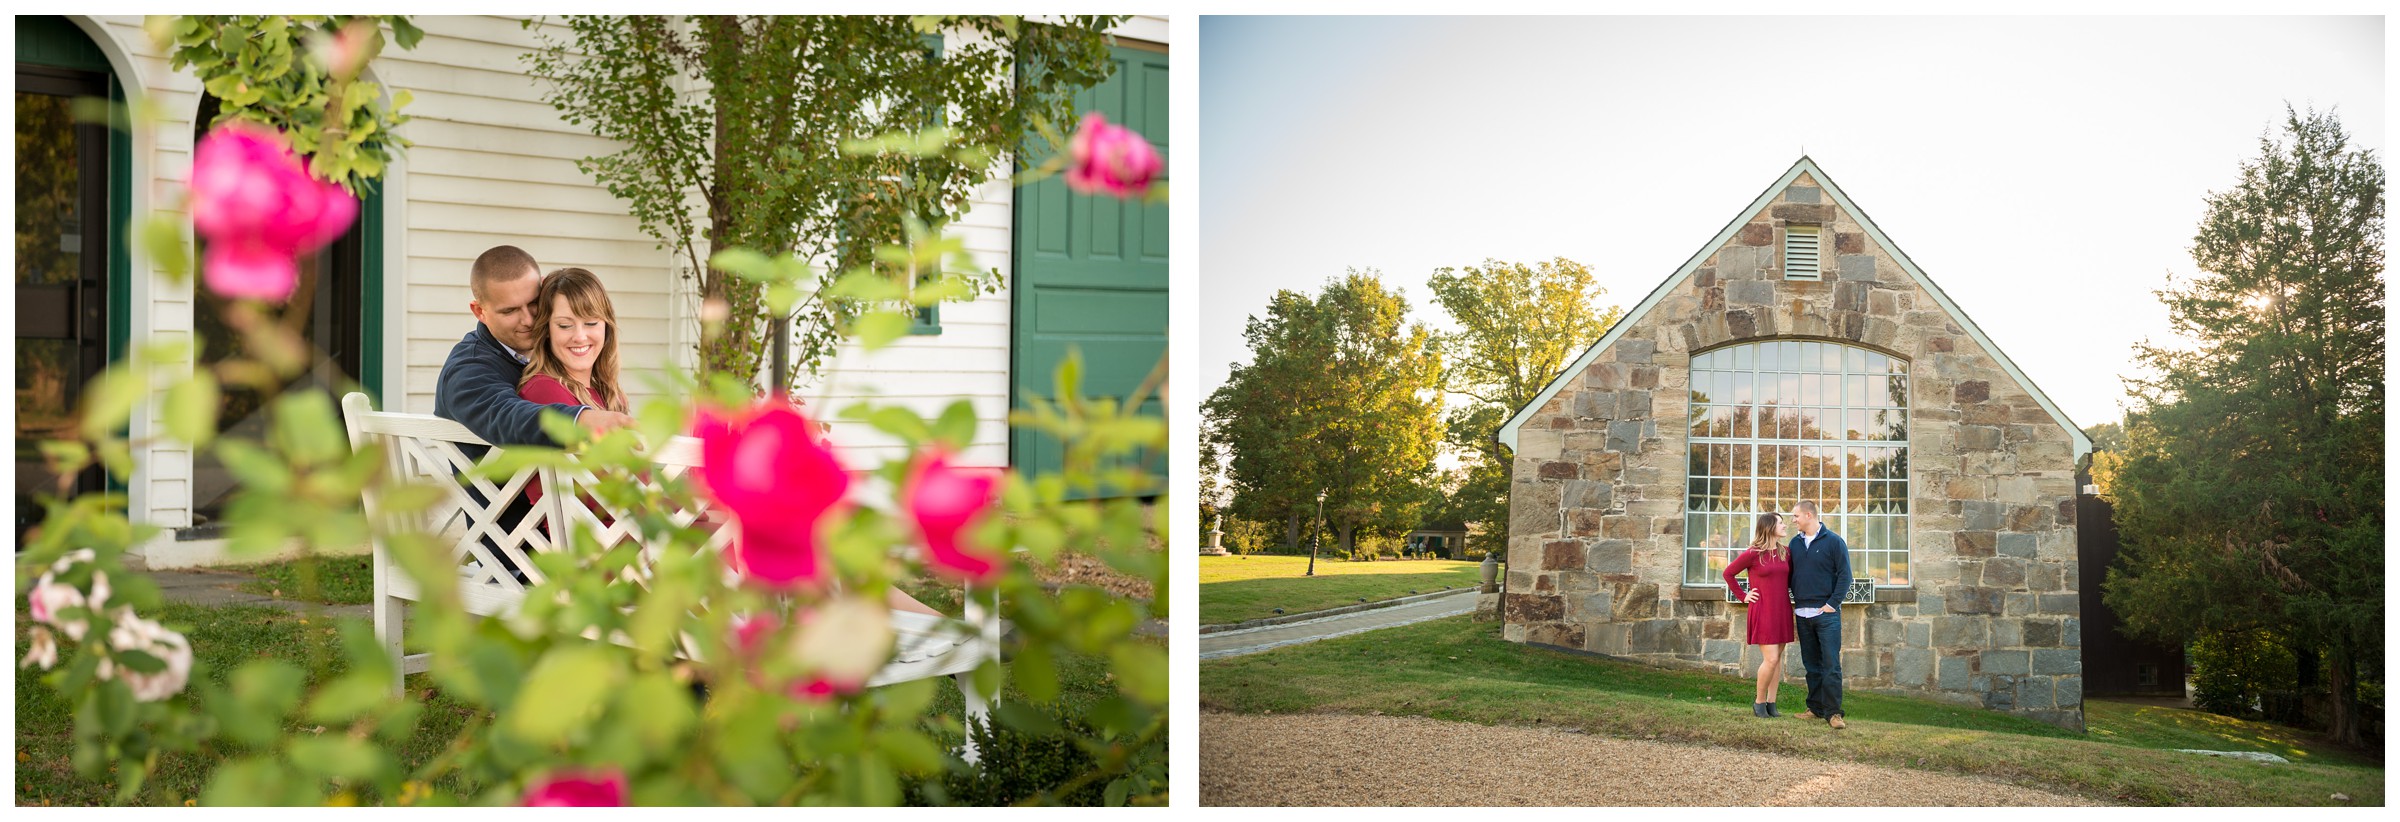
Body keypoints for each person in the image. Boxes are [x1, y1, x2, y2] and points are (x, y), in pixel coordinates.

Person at [509, 267, 944, 619]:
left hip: (638, 534)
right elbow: (602, 492)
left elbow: (635, 478)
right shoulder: (548, 393)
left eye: (591, 323)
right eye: (565, 325)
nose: (580, 336)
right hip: (606, 555)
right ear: (546, 329)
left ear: (607, 327)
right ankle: (926, 628)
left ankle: (920, 624)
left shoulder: (603, 392)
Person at [433, 247, 633, 583]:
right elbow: (506, 414)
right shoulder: (469, 369)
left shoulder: (547, 361)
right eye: (510, 310)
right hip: (520, 549)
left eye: (533, 303)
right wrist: (578, 419)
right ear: (479, 311)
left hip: (564, 528)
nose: (527, 319)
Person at [1787, 500, 1851, 729]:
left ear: (1808, 515)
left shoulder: (1834, 542)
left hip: (1826, 615)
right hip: (1802, 613)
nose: (1793, 520)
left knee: (1831, 664)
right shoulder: (1794, 544)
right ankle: (1815, 708)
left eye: (1795, 516)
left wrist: (1832, 604)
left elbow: (1845, 576)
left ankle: (1834, 714)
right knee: (1811, 665)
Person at [1723, 511, 1794, 718]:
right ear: (1769, 527)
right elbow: (1728, 573)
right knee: (1770, 659)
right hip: (1763, 609)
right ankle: (1759, 702)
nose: (1784, 525)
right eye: (1780, 523)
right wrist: (1743, 595)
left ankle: (1772, 704)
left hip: (1782, 609)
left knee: (1777, 658)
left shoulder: (1786, 552)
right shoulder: (1753, 553)